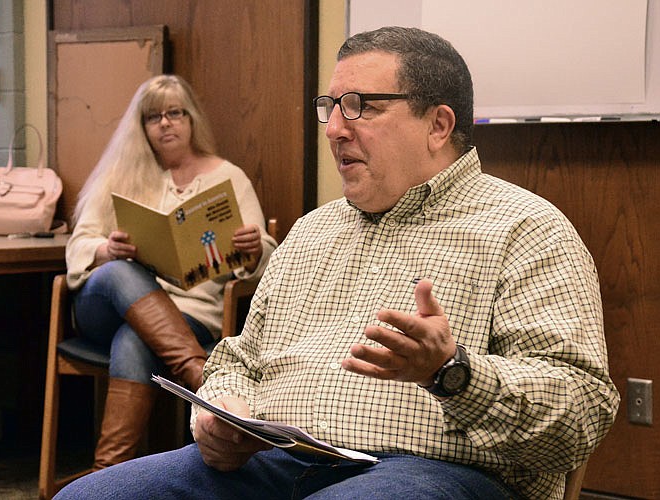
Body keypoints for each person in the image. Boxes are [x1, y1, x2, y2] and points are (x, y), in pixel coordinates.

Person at [55, 27, 619, 499]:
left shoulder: (526, 228)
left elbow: (583, 414)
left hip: (433, 470)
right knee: (87, 495)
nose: (333, 129)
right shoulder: (312, 231)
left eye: (362, 107)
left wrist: (452, 374)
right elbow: (236, 361)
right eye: (330, 107)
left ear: (438, 125)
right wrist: (222, 411)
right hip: (274, 460)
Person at [64, 74, 276, 470]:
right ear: (141, 127)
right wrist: (105, 249)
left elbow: (265, 257)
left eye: (175, 113)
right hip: (105, 308)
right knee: (118, 272)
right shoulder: (122, 173)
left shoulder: (228, 176)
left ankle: (105, 474)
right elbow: (76, 247)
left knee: (135, 340)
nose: (165, 123)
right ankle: (203, 378)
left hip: (191, 314)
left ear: (191, 118)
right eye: (153, 116)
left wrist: (252, 248)